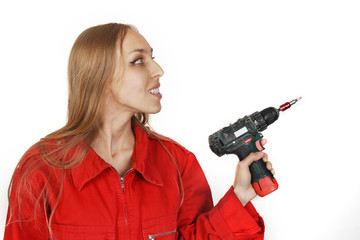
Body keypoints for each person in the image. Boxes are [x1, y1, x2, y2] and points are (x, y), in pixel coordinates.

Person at [4, 23, 275, 240]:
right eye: (138, 61)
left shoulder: (177, 163)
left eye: (152, 58)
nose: (158, 70)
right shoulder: (41, 169)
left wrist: (240, 195)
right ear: (99, 75)